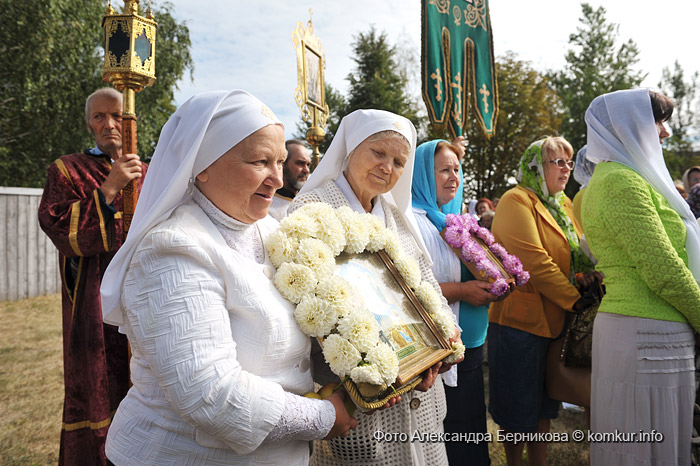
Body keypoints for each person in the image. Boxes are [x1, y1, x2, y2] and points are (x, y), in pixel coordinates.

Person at [99, 90, 356, 465]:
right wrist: (324, 416)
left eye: (280, 161)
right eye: (260, 161)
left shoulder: (273, 233)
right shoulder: (171, 247)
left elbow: (305, 338)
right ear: (202, 164)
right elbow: (208, 393)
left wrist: (377, 364)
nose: (276, 178)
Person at [290, 109, 461, 466]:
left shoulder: (396, 214)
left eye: (399, 161)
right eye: (378, 153)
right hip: (358, 392)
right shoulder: (312, 209)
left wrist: (443, 344)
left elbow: (425, 284)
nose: (388, 167)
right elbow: (314, 302)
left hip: (419, 385)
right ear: (351, 149)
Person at [582, 89, 700, 465]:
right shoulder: (622, 182)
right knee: (643, 447)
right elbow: (662, 270)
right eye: (659, 120)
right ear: (627, 125)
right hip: (646, 332)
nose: (665, 132)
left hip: (651, 332)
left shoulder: (628, 178)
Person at [37, 87, 147, 466]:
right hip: (93, 301)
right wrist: (109, 188)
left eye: (116, 115)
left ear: (130, 121)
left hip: (145, 300)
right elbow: (56, 224)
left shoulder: (149, 174)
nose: (109, 124)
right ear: (88, 123)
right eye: (99, 117)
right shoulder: (66, 170)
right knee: (99, 384)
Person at [488, 136, 596, 466]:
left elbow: (572, 256)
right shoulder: (516, 200)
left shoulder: (563, 205)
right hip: (519, 324)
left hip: (556, 321)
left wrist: (584, 278)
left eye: (569, 162)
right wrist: (575, 301)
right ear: (536, 166)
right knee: (517, 409)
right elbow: (535, 262)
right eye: (557, 162)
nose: (566, 169)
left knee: (544, 408)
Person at [412, 139, 504, 465]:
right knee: (453, 434)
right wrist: (464, 292)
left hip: (472, 341)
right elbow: (411, 287)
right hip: (439, 346)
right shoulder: (413, 221)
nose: (453, 176)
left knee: (471, 427)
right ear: (422, 174)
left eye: (457, 169)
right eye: (443, 170)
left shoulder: (459, 220)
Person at [268, 139, 312, 220]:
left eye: (308, 165)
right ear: (282, 164)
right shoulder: (267, 206)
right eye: (300, 163)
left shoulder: (310, 203)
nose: (306, 170)